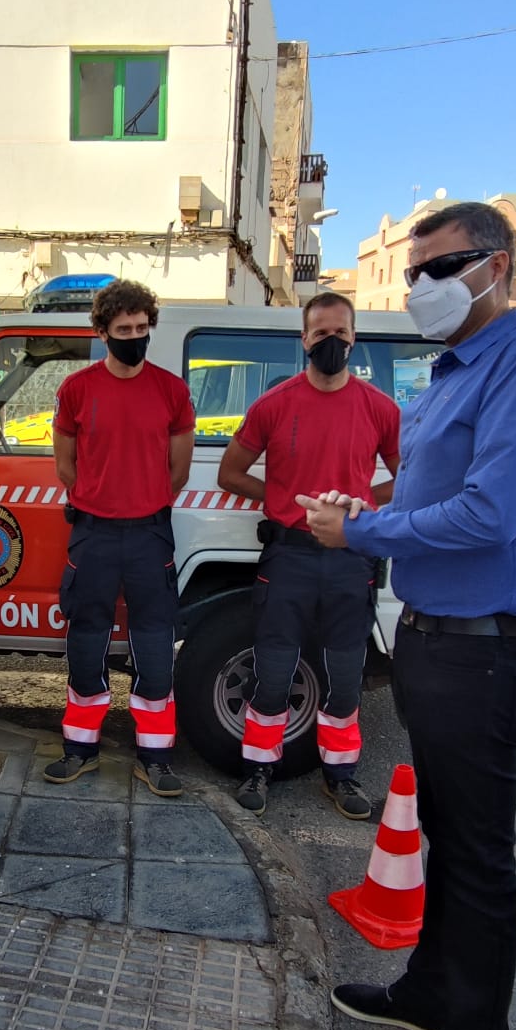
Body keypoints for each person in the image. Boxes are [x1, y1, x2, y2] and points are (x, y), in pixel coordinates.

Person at [302, 200, 516, 1030]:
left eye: (440, 268)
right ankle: (430, 993)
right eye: (414, 270)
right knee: (441, 840)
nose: (421, 287)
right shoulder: (451, 370)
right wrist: (365, 502)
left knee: (475, 862)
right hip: (434, 635)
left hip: (482, 649)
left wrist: (365, 528)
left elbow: (489, 515)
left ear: (497, 267)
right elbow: (425, 487)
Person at [216, 292, 399, 820]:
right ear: (304, 339)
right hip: (289, 558)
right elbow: (230, 473)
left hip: (350, 558)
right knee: (273, 671)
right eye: (321, 334)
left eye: (341, 333)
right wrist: (278, 497)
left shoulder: (378, 408)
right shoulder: (275, 403)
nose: (331, 342)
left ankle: (340, 776)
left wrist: (365, 505)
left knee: (345, 673)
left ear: (354, 337)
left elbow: (410, 476)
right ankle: (256, 767)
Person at [43, 279, 196, 797]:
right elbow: (65, 465)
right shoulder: (77, 389)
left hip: (150, 533)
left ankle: (154, 757)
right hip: (94, 533)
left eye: (141, 327)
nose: (135, 336)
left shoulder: (171, 390)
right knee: (86, 641)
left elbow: (178, 470)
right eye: (124, 329)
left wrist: (139, 500)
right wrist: (103, 497)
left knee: (154, 645)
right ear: (102, 332)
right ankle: (80, 749)